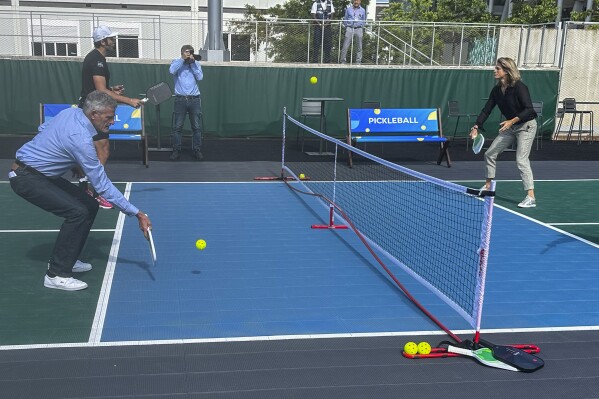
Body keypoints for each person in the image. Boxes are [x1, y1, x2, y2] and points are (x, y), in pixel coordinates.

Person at [9, 91, 152, 291]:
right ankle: (56, 274)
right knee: (77, 212)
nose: (112, 122)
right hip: (27, 178)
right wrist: (136, 212)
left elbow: (44, 128)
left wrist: (67, 157)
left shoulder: (70, 113)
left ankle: (68, 257)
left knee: (89, 205)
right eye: (109, 117)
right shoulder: (81, 139)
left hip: (38, 173)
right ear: (93, 114)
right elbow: (101, 185)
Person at [78, 26, 142, 209]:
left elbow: (98, 87)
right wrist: (129, 100)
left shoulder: (96, 58)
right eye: (111, 38)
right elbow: (99, 90)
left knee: (92, 151)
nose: (113, 41)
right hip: (93, 112)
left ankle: (86, 187)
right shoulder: (97, 59)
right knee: (103, 150)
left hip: (91, 109)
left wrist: (111, 90)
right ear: (102, 41)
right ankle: (96, 192)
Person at [470, 57, 538, 208]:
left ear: (507, 71)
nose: (494, 71)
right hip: (510, 127)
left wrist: (511, 121)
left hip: (526, 126)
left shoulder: (520, 87)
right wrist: (476, 126)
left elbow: (529, 110)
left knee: (521, 159)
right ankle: (488, 187)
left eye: (498, 68)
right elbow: (487, 109)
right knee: (490, 153)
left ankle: (531, 197)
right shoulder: (496, 90)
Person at [169, 45, 205, 161]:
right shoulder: (177, 62)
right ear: (182, 53)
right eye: (186, 52)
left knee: (196, 127)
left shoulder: (195, 64)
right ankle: (176, 150)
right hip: (180, 99)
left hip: (194, 99)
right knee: (177, 127)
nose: (189, 54)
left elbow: (200, 77)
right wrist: (182, 59)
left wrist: (193, 63)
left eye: (190, 53)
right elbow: (171, 70)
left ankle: (197, 150)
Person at [340, 0, 366, 65]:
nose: (356, 2)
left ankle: (358, 61)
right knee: (345, 45)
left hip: (358, 28)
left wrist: (361, 26)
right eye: (355, 0)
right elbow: (345, 19)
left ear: (360, 1)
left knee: (359, 46)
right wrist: (347, 27)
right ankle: (343, 60)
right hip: (349, 28)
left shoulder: (363, 10)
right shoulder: (348, 9)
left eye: (357, 0)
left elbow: (364, 20)